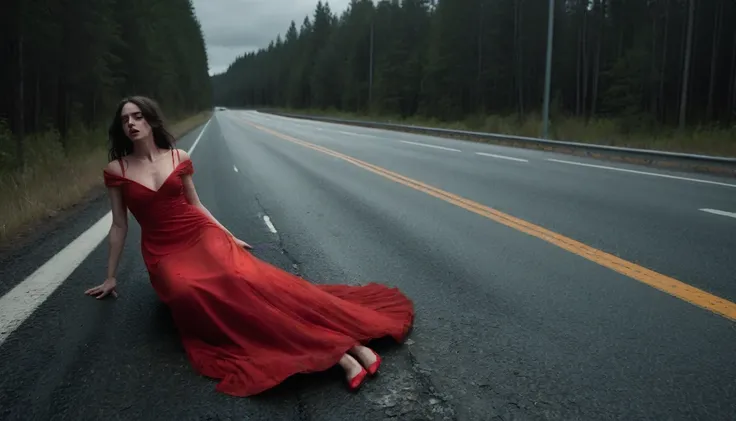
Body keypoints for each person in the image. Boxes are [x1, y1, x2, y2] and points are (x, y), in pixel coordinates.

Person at [83, 96, 415, 396]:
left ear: (151, 120)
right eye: (125, 119)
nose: (131, 123)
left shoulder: (178, 156)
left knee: (240, 278)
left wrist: (227, 235)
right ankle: (339, 349)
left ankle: (345, 348)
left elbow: (197, 206)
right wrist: (111, 277)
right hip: (163, 251)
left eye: (138, 116)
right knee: (188, 291)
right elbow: (119, 225)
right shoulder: (117, 170)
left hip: (199, 233)